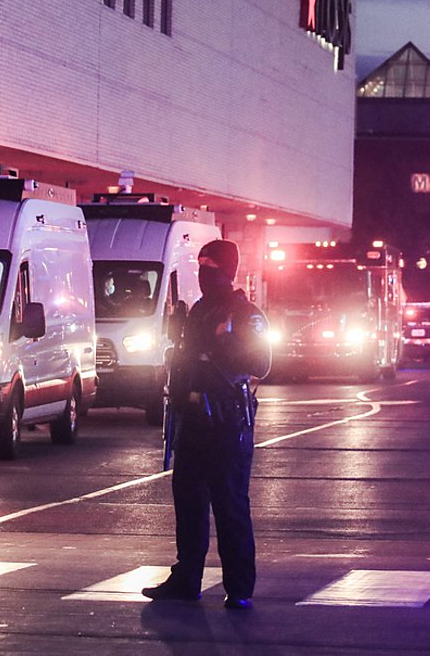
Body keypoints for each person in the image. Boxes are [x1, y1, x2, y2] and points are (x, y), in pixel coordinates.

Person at [142, 239, 271, 610]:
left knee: (229, 504)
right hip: (193, 420)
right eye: (200, 268)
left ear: (227, 272)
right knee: (189, 502)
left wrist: (223, 342)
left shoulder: (245, 313)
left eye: (210, 269)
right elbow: (185, 362)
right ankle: (186, 579)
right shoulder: (198, 310)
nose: (203, 275)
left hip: (227, 422)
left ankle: (239, 588)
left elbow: (261, 363)